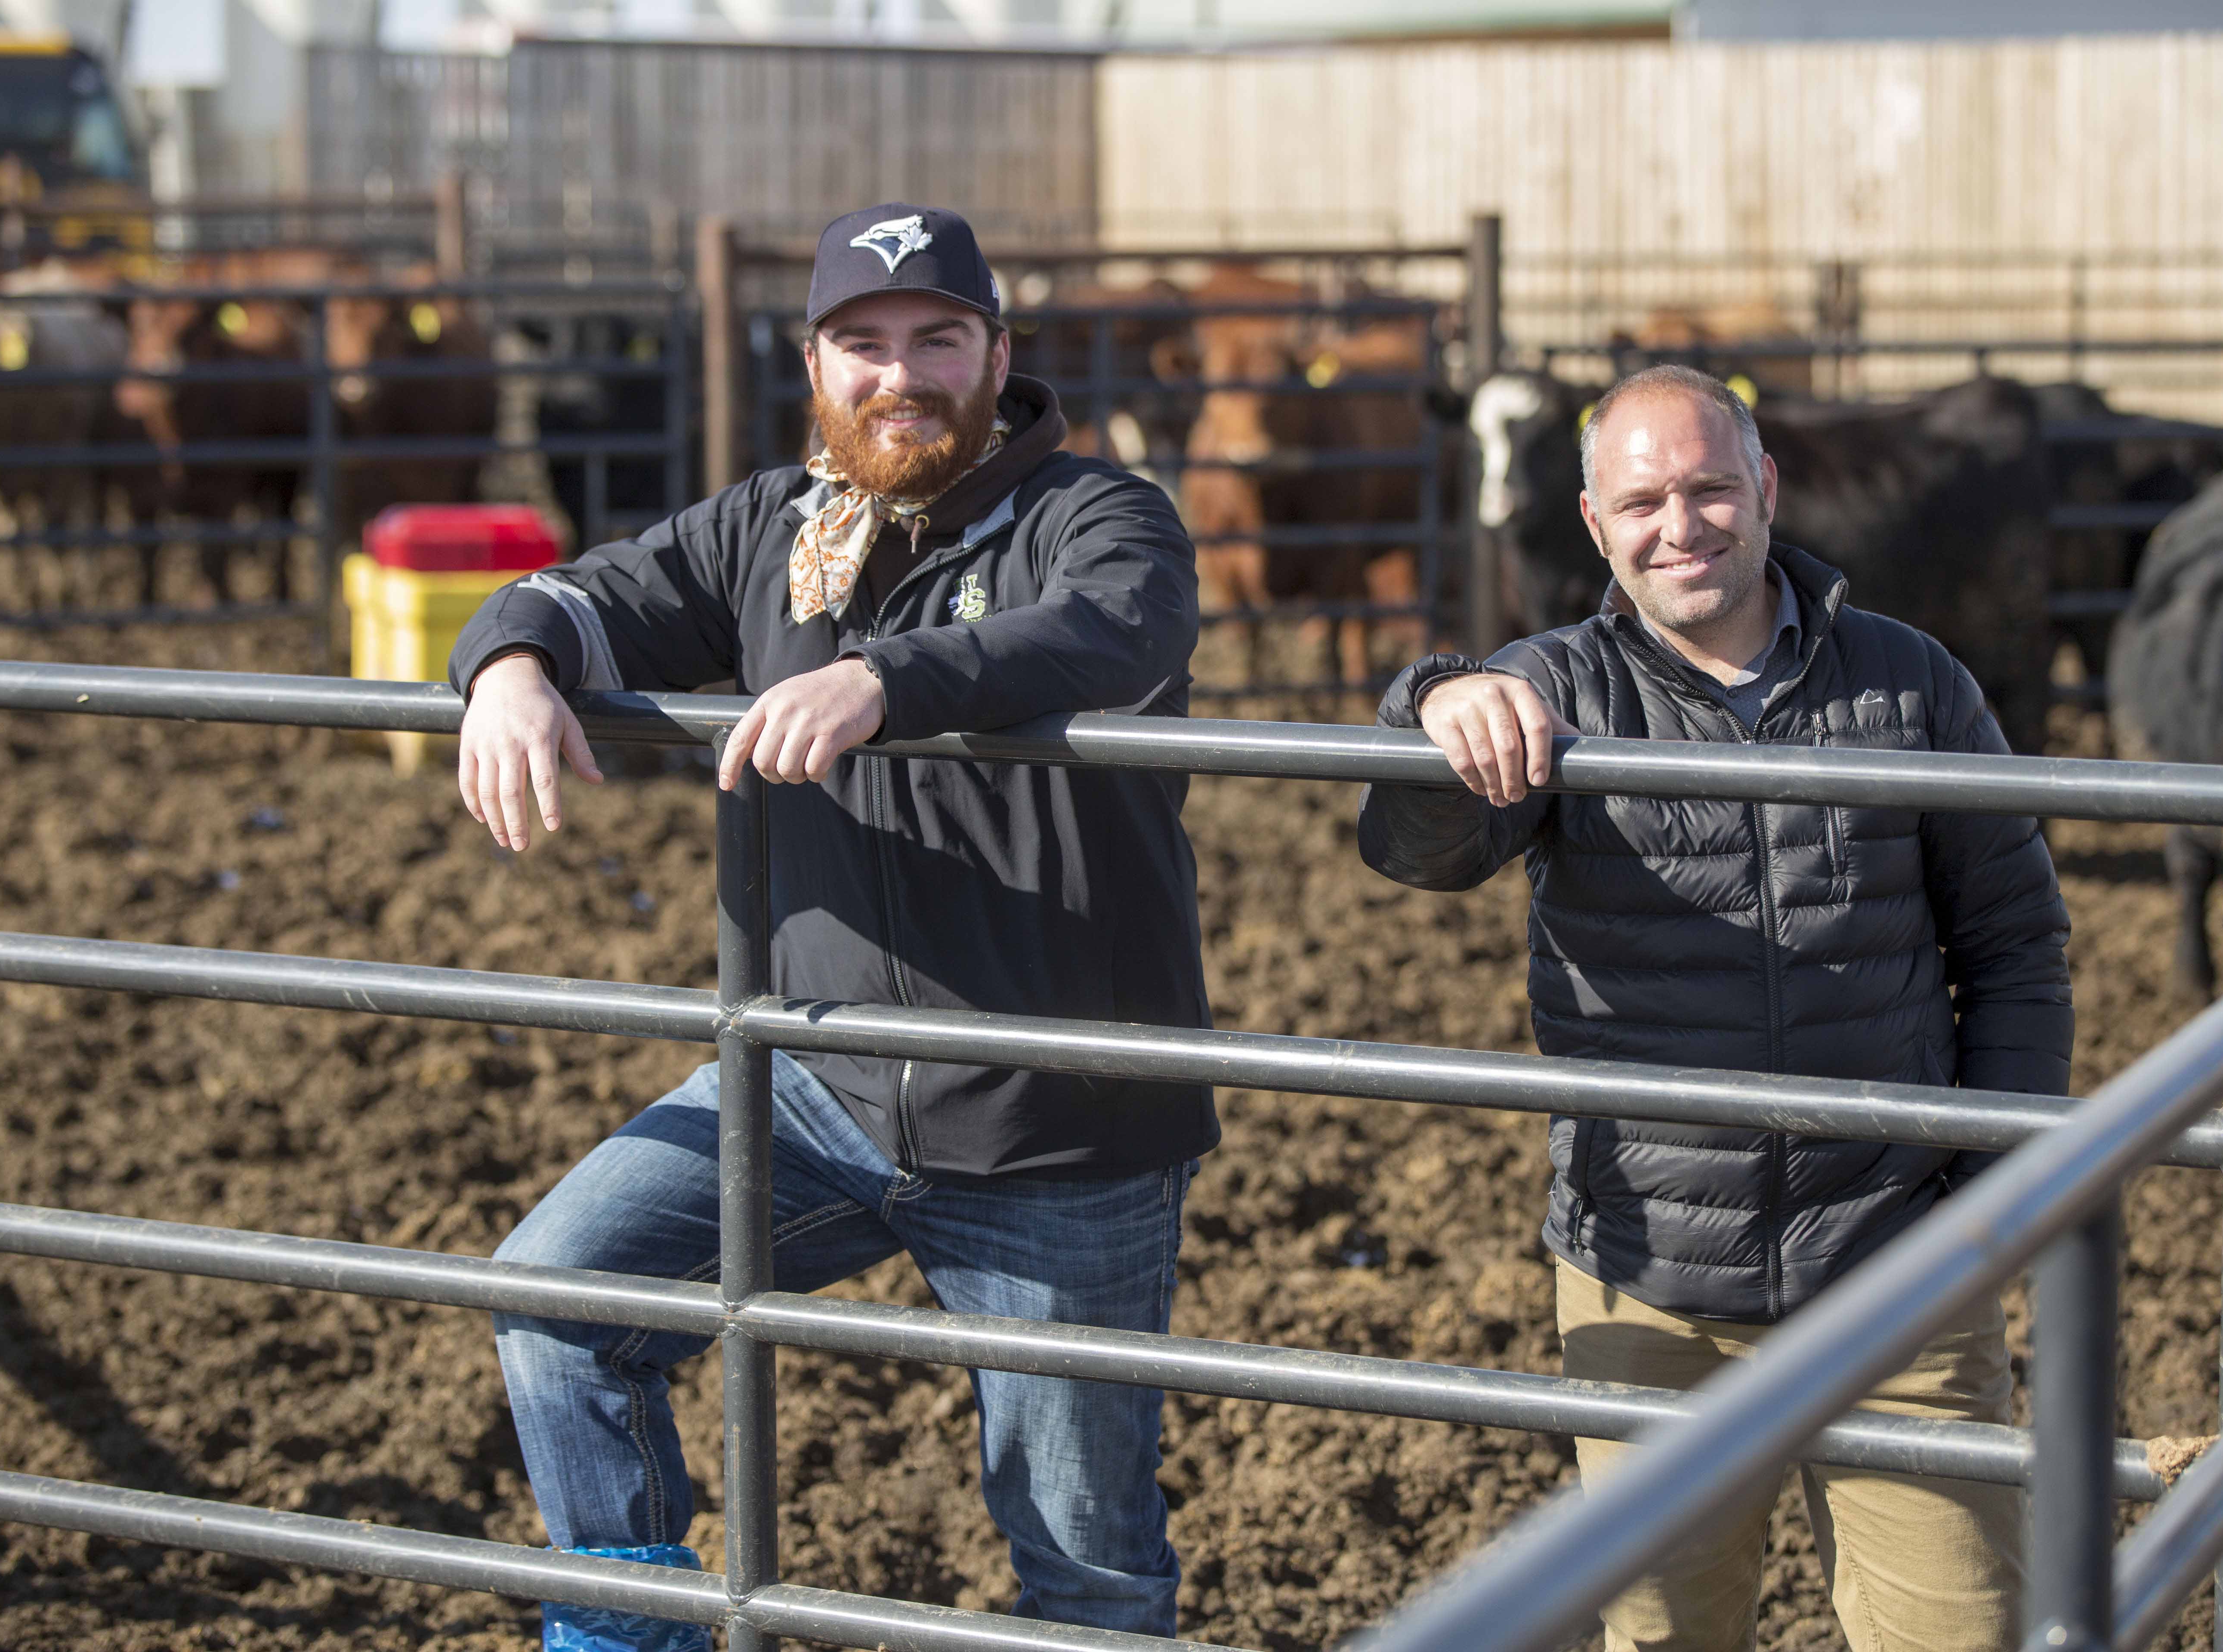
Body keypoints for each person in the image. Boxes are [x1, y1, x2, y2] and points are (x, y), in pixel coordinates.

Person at [447, 203, 1212, 1652]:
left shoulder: (1099, 515)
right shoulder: (777, 527)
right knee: (557, 1296)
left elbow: (1114, 628)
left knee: (1084, 1556)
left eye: (937, 339)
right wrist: (511, 663)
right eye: (862, 345)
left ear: (999, 352)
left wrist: (885, 678)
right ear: (815, 364)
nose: (898, 376)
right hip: (819, 1083)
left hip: (1057, 1114)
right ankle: (631, 1636)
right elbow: (583, 592)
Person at [1358, 364, 2072, 1652]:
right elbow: (1419, 851)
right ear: (1591, 522)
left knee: (1966, 1629)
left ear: (1767, 490)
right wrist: (1434, 701)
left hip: (1896, 1271)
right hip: (1648, 1285)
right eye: (1642, 502)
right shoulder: (1554, 690)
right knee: (1665, 1639)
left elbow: (2017, 943)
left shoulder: (1910, 685)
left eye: (1709, 489)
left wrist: (1984, 1194)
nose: (1679, 527)